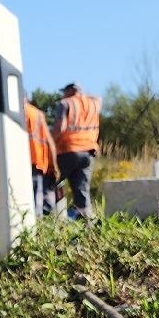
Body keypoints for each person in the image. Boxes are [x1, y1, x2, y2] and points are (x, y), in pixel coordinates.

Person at [53, 82, 102, 219]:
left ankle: (55, 218)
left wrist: (50, 142)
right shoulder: (93, 103)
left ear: (69, 91)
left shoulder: (65, 103)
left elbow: (59, 128)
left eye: (64, 91)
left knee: (52, 182)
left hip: (67, 150)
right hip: (88, 153)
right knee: (82, 189)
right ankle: (87, 223)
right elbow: (99, 99)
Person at [25, 98, 58, 216]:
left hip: (15, 162)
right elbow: (50, 143)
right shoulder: (37, 114)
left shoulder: (8, 113)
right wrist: (53, 166)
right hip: (36, 160)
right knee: (36, 199)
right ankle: (36, 229)